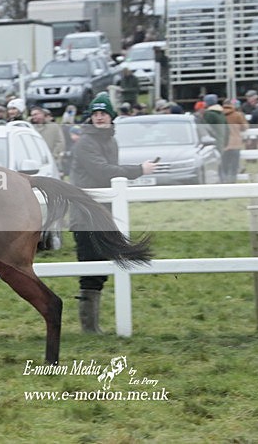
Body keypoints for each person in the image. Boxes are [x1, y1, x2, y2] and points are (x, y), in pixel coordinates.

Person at [70, 93, 157, 334]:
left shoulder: (110, 141)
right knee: (91, 269)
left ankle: (91, 327)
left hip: (103, 215)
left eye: (103, 113)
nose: (99, 117)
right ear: (91, 117)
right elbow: (103, 172)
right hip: (85, 216)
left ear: (111, 117)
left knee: (99, 270)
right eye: (95, 113)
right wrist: (139, 169)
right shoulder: (86, 143)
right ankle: (89, 329)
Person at [202, 94, 228, 181]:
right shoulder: (221, 113)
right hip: (221, 141)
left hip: (212, 143)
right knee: (221, 164)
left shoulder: (209, 114)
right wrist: (225, 142)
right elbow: (227, 129)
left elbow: (205, 129)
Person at [222, 98, 248, 184]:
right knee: (234, 165)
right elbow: (245, 127)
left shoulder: (220, 115)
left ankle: (224, 182)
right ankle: (232, 183)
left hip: (224, 144)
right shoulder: (237, 115)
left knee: (224, 165)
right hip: (235, 143)